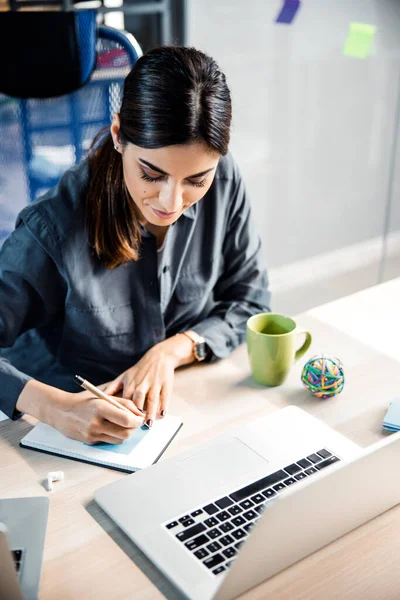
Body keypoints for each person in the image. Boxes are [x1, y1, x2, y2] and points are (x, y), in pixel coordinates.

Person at [0, 46, 270, 444]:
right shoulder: (52, 226)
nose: (171, 203)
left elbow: (251, 301)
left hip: (186, 409)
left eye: (196, 180)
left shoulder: (225, 181)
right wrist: (54, 407)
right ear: (118, 136)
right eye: (151, 174)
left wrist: (172, 351)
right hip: (77, 432)